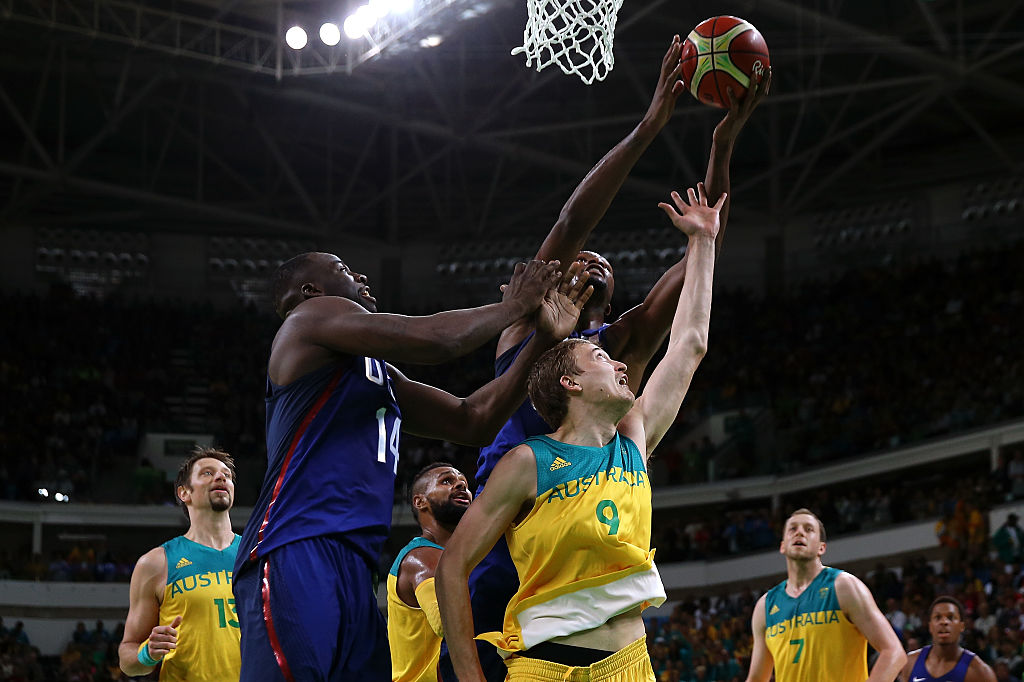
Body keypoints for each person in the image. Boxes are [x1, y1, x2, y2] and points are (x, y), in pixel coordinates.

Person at [452, 34, 771, 681]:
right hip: (513, 543)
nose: (591, 260)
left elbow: (691, 308)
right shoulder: (525, 335)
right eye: (579, 261)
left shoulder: (622, 358)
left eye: (604, 263)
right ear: (568, 377)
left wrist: (721, 148)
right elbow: (572, 221)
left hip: (616, 636)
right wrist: (653, 122)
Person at [233, 253, 593, 682]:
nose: (361, 273)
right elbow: (438, 340)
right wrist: (512, 307)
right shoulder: (306, 318)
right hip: (296, 546)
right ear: (311, 291)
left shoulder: (376, 372)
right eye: (345, 270)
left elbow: (472, 420)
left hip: (355, 563)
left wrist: (542, 341)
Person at [436, 182, 722, 681]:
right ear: (569, 383)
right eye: (601, 357)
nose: (620, 363)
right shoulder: (526, 463)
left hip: (629, 666)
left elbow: (690, 343)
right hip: (540, 668)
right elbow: (452, 567)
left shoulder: (634, 439)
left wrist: (703, 240)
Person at [118, 447, 241, 681]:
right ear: (184, 493)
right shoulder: (155, 563)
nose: (221, 477)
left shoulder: (256, 555)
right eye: (207, 473)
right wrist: (147, 654)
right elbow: (127, 659)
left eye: (226, 474)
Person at [744, 509, 907, 682]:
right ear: (783, 546)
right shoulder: (765, 606)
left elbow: (894, 653)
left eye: (808, 529)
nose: (799, 532)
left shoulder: (844, 587)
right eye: (793, 529)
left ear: (821, 547)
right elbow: (756, 678)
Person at [388, 462, 473, 682]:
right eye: (447, 481)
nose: (460, 486)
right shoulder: (422, 557)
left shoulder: (446, 556)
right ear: (420, 501)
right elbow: (444, 622)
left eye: (464, 482)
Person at [898, 596, 996, 682]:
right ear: (930, 626)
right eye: (938, 617)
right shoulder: (910, 663)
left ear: (962, 626)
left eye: (951, 617)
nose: (944, 622)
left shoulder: (980, 671)